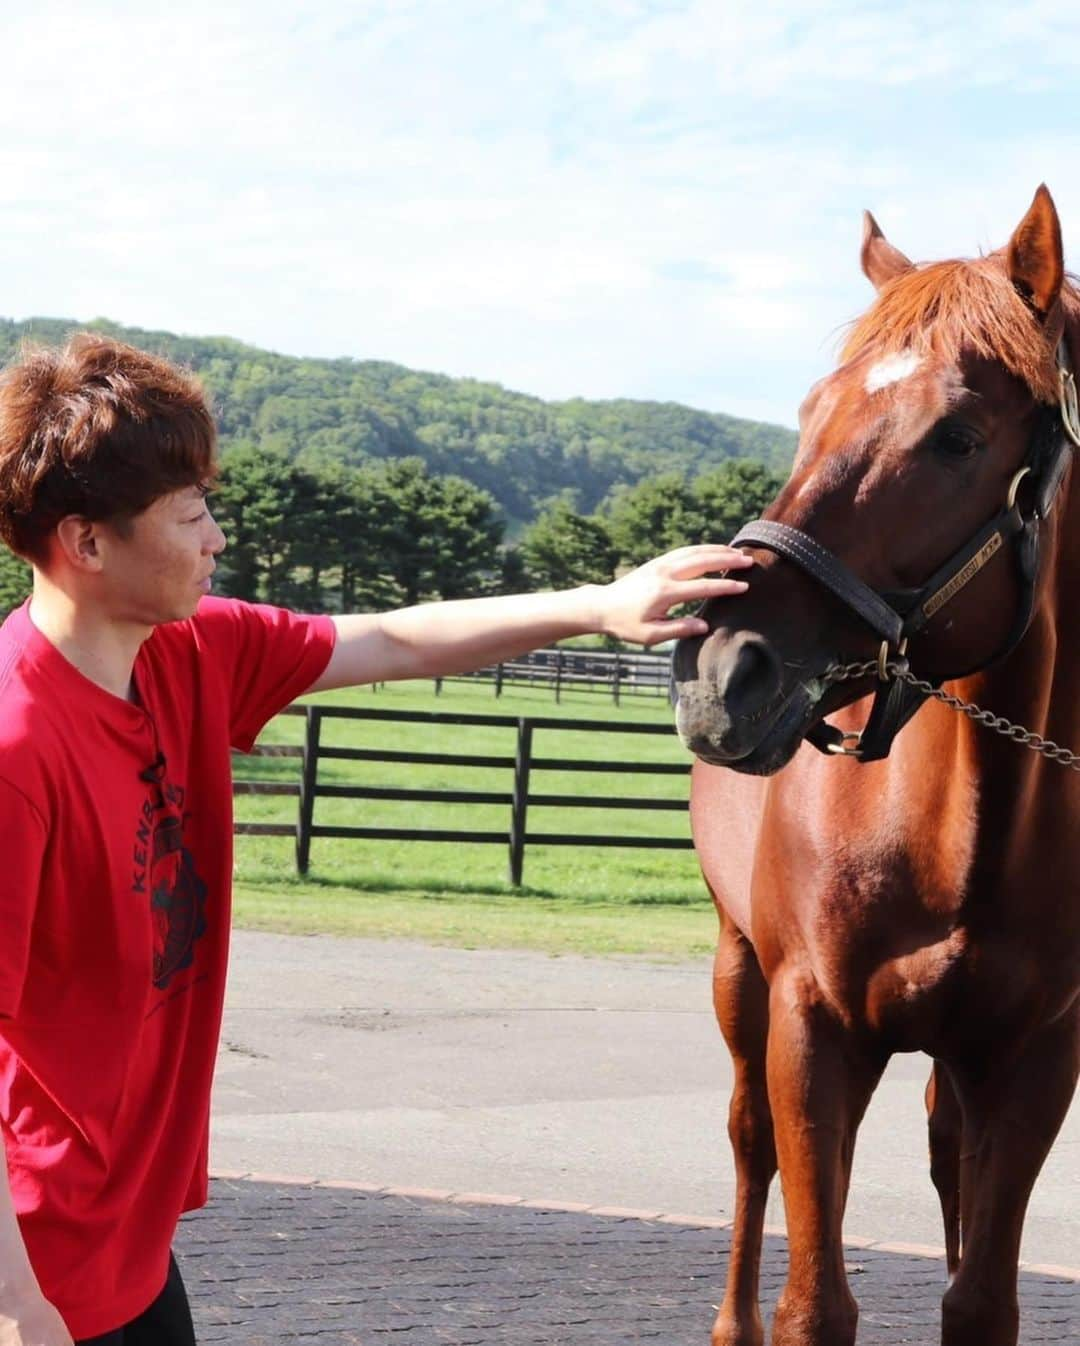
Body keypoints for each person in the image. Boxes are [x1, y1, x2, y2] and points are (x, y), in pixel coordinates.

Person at [0, 333, 752, 1345]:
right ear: (87, 544)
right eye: (191, 516)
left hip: (124, 1236)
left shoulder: (190, 653)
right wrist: (20, 1305)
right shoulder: (17, 747)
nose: (217, 537)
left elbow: (395, 638)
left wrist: (602, 605)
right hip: (38, 1251)